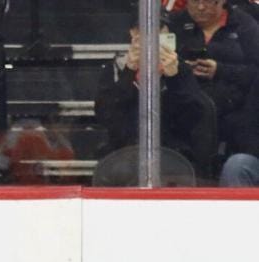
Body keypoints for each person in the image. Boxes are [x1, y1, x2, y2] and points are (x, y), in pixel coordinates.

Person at [95, 23, 218, 178]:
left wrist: (174, 78)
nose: (151, 39)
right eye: (143, 32)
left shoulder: (182, 69)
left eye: (159, 33)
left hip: (175, 154)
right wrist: (129, 72)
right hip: (125, 155)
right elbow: (105, 116)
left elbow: (197, 118)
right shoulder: (115, 69)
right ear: (133, 34)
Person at [169, 0, 259, 150]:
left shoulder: (245, 25)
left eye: (209, 1)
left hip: (233, 107)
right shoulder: (174, 23)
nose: (201, 7)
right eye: (194, 1)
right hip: (181, 101)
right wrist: (181, 68)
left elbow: (255, 72)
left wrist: (220, 70)